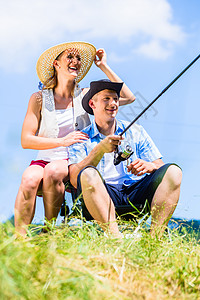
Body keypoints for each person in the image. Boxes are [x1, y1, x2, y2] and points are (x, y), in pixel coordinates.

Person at [14, 42, 136, 236]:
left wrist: (103, 66)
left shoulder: (86, 95)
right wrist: (62, 141)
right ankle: (18, 240)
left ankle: (49, 231)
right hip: (45, 157)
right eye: (70, 57)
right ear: (56, 64)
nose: (76, 62)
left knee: (54, 171)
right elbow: (26, 140)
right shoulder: (38, 98)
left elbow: (128, 98)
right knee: (29, 179)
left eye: (79, 58)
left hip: (74, 159)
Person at [68, 80, 182, 238]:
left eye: (115, 99)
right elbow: (75, 178)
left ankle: (155, 239)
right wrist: (99, 150)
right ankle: (116, 239)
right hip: (103, 194)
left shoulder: (136, 130)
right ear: (92, 104)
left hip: (135, 192)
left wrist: (149, 166)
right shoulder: (80, 137)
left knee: (174, 171)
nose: (113, 103)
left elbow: (160, 165)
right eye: (106, 99)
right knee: (88, 174)